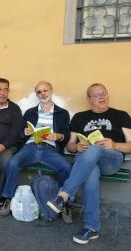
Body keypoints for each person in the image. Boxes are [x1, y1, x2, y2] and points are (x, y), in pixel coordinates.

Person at [47, 83, 131, 244]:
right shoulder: (79, 117)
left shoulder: (121, 115)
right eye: (97, 95)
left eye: (104, 93)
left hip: (111, 159)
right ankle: (91, 228)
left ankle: (63, 195)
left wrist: (115, 145)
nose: (102, 97)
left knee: (95, 149)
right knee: (90, 170)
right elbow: (70, 145)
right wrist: (76, 146)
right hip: (87, 162)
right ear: (88, 99)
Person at [0, 81, 72, 222]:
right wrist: (25, 133)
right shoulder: (30, 112)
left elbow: (66, 134)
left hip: (49, 148)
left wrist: (58, 136)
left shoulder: (62, 113)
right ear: (36, 94)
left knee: (67, 168)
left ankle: (65, 204)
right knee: (12, 163)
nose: (43, 93)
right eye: (39, 91)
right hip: (30, 147)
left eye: (45, 90)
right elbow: (20, 134)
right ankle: (7, 198)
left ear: (51, 91)